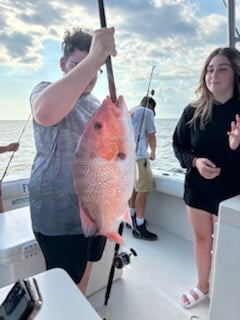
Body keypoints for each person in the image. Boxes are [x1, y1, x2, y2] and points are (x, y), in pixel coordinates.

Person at [29, 27, 116, 295]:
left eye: (95, 69)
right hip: (60, 215)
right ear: (63, 64)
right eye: (79, 65)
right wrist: (95, 58)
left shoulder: (97, 106)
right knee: (64, 287)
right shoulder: (45, 90)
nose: (89, 75)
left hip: (98, 210)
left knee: (85, 270)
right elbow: (45, 113)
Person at [173, 47, 240, 309]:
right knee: (202, 240)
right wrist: (196, 162)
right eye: (210, 69)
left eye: (222, 68)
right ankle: (203, 286)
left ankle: (228, 289)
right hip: (198, 189)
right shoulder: (192, 111)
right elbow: (179, 147)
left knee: (228, 244)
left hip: (232, 192)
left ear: (235, 73)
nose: (214, 74)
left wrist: (236, 147)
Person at [129, 96, 158, 240]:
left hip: (128, 158)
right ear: (151, 105)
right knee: (144, 189)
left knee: (134, 188)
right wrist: (153, 152)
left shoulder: (131, 111)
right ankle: (139, 227)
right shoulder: (148, 112)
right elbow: (151, 135)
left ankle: (131, 217)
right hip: (140, 157)